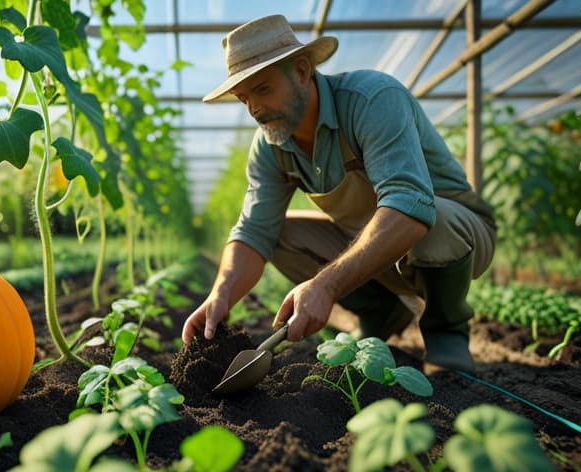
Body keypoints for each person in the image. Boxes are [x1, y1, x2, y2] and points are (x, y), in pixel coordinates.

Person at [181, 14, 496, 372]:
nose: (253, 109)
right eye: (243, 98)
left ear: (302, 71)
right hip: (373, 244)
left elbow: (409, 206)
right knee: (277, 235)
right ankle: (380, 311)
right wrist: (221, 294)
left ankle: (446, 334)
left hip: (457, 236)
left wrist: (326, 287)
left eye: (263, 89)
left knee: (428, 214)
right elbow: (253, 231)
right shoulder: (271, 145)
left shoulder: (372, 100)